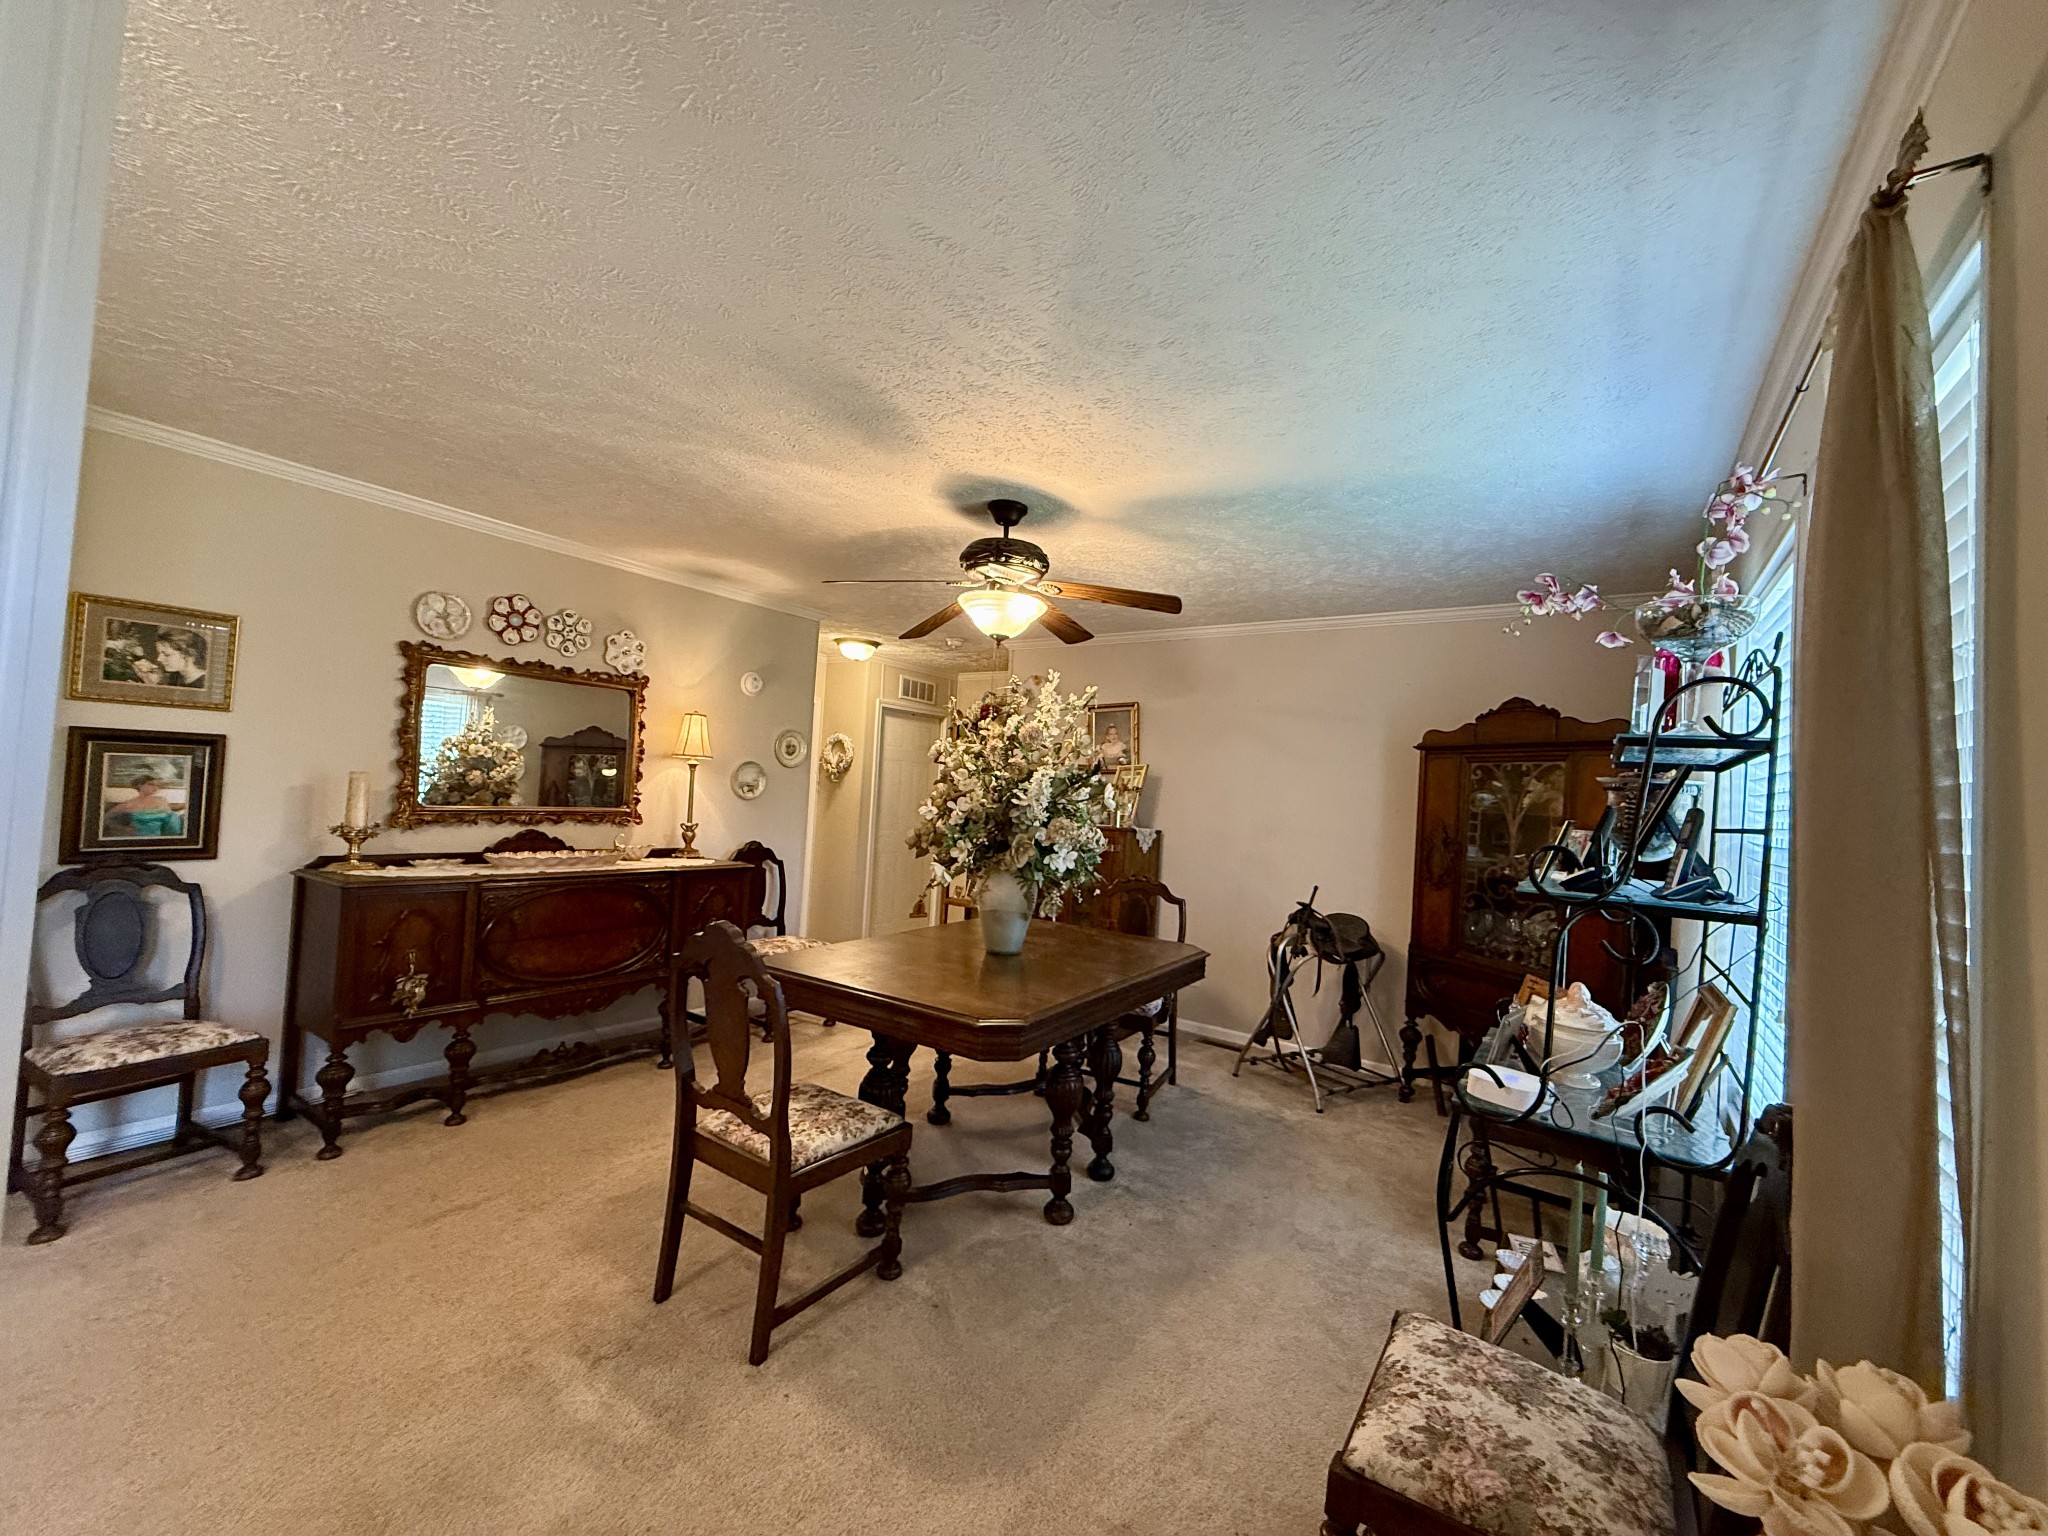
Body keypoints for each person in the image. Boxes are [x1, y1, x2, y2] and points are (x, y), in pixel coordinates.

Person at [102, 775, 185, 839]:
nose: (155, 787)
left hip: (162, 838)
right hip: (139, 838)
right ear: (140, 785)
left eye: (157, 785)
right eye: (151, 784)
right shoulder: (128, 804)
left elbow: (170, 815)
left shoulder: (161, 800)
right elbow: (106, 819)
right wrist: (123, 829)